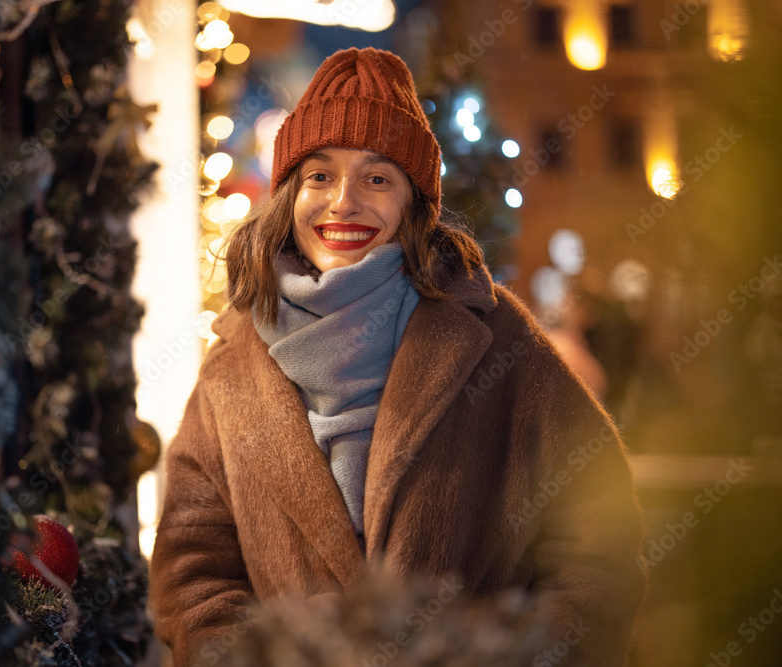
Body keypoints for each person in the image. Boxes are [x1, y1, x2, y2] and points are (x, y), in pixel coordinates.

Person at [149, 47, 646, 666]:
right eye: (320, 176)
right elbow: (192, 566)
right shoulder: (232, 368)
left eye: (377, 178)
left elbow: (599, 537)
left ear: (414, 202)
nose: (343, 203)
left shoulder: (498, 339)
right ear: (289, 195)